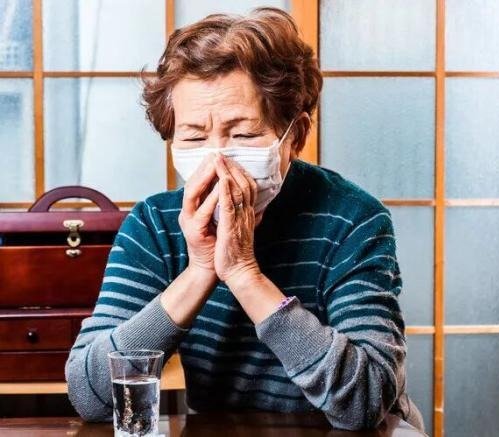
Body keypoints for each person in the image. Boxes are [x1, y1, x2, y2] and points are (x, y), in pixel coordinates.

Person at [65, 7, 423, 431]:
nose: (217, 158)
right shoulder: (155, 225)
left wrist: (243, 273)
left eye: (243, 135)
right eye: (194, 136)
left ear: (296, 135)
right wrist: (200, 270)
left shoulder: (353, 219)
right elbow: (89, 394)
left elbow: (364, 401)